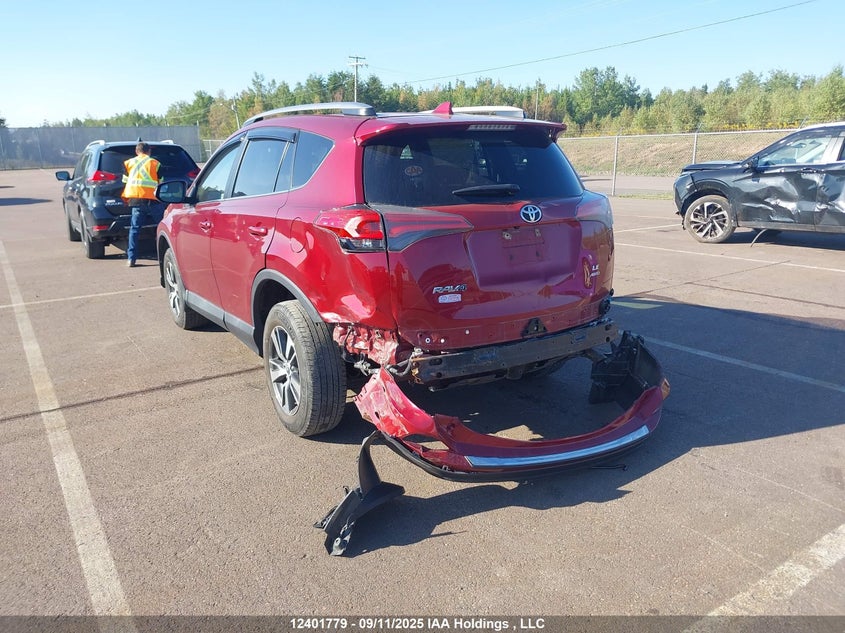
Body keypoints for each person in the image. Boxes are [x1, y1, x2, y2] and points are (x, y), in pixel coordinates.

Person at [122, 141, 163, 267]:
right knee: (162, 227)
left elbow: (125, 181)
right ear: (149, 151)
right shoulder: (155, 163)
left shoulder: (128, 163)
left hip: (136, 200)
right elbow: (161, 181)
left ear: (136, 151)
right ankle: (163, 255)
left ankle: (131, 258)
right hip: (153, 200)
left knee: (134, 230)